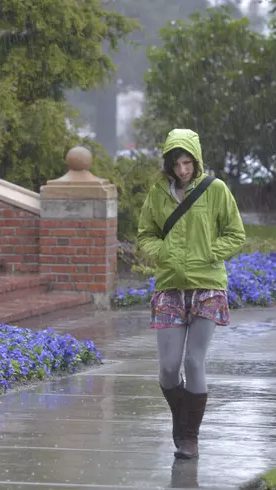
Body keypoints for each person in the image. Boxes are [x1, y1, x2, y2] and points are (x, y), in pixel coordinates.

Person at [137, 128, 245, 459]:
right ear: (168, 165)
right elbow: (145, 235)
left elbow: (236, 234)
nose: (183, 170)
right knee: (169, 367)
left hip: (208, 286)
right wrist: (165, 253)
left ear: (196, 161)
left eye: (188, 163)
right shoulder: (157, 193)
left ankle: (189, 437)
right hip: (169, 286)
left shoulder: (215, 190)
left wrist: (209, 252)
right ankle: (180, 415)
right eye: (177, 164)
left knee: (194, 361)